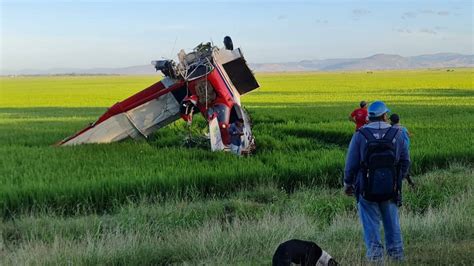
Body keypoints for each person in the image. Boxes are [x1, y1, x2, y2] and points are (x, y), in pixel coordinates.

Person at [343, 101, 410, 262]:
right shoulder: (398, 134)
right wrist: (396, 180)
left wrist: (348, 184)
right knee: (392, 224)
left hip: (366, 190)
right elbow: (405, 161)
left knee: (371, 226)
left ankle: (375, 258)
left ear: (369, 117)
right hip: (391, 189)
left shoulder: (360, 135)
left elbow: (351, 164)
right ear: (385, 115)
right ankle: (397, 257)